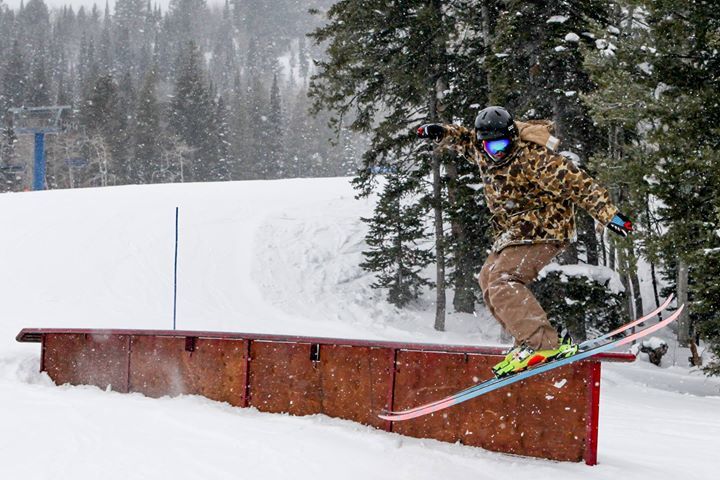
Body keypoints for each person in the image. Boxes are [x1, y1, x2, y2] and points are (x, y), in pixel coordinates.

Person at [417, 106, 633, 377]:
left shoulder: (535, 158)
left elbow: (580, 185)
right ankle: (526, 341)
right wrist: (442, 132)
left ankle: (543, 344)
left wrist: (610, 215)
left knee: (503, 280)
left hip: (547, 228)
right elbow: (464, 138)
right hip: (516, 232)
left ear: (512, 138)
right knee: (487, 279)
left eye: (502, 145)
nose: (496, 152)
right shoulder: (483, 150)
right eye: (490, 146)